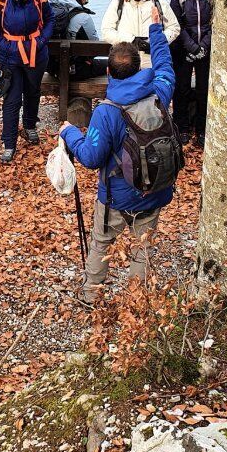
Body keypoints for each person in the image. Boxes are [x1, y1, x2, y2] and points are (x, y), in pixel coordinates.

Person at [59, 16, 176, 305]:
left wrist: (70, 133)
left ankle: (90, 295)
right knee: (143, 247)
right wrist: (156, 30)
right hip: (155, 190)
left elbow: (90, 156)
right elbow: (165, 65)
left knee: (101, 242)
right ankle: (137, 299)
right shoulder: (160, 93)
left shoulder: (107, 111)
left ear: (109, 71)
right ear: (140, 67)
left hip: (116, 196)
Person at [0, 0, 54, 164]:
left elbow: (50, 19)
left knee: (33, 91)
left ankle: (30, 126)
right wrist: (5, 45)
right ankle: (9, 143)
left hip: (36, 53)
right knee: (12, 99)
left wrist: (42, 40)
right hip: (10, 57)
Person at [100, 0, 180, 68]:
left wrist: (155, 42)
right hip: (125, 62)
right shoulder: (118, 3)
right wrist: (131, 40)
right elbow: (106, 31)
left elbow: (174, 28)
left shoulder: (159, 2)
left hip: (152, 61)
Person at [170, 0, 212, 147]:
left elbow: (215, 23)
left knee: (204, 90)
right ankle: (182, 127)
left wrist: (203, 46)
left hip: (205, 48)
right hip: (183, 47)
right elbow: (175, 24)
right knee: (181, 89)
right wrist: (192, 47)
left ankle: (202, 129)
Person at [48, 0, 105, 81]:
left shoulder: (51, 8)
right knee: (108, 64)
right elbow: (95, 46)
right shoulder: (83, 18)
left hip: (51, 68)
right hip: (74, 71)